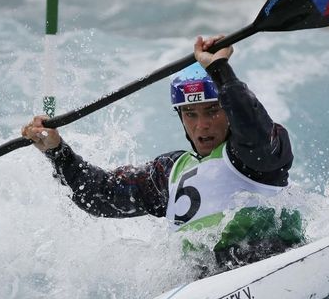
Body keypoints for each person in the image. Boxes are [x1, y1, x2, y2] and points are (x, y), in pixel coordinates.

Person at [22, 35, 304, 278]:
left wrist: (220, 70)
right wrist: (58, 152)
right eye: (190, 114)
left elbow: (252, 125)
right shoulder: (169, 171)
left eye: (212, 111)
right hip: (203, 290)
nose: (201, 125)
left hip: (269, 265)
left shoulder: (255, 156)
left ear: (228, 111)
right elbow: (101, 195)